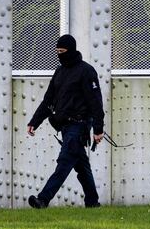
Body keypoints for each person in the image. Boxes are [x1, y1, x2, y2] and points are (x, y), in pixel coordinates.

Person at [26, 34, 105, 209]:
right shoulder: (59, 72)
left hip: (79, 125)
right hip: (64, 126)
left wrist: (98, 129)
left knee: (64, 163)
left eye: (62, 51)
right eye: (57, 52)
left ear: (71, 50)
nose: (59, 55)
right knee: (82, 167)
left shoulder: (86, 71)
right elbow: (48, 100)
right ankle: (93, 203)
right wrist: (34, 122)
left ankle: (43, 199)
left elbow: (95, 102)